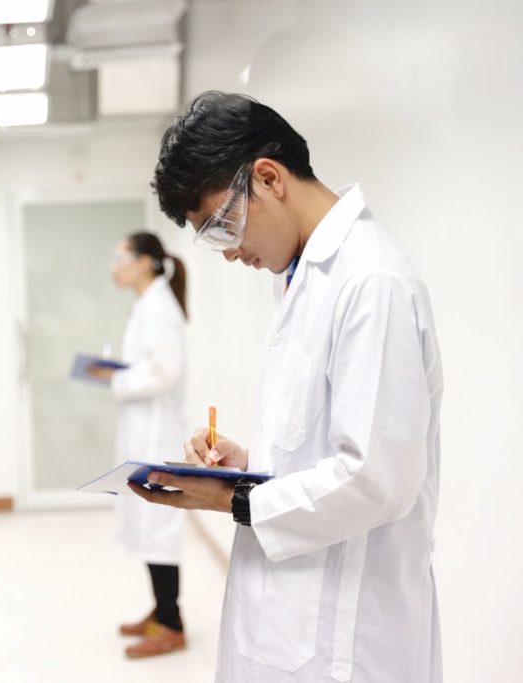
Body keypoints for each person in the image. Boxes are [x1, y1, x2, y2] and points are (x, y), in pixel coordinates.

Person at [131, 91, 443, 682]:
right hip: (289, 614)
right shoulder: (306, 278)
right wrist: (244, 468)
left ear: (269, 178)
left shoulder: (370, 282)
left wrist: (233, 498)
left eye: (222, 225)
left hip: (348, 640)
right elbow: (328, 446)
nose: (229, 254)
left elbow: (380, 477)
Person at [88, 231, 191, 658]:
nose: (114, 266)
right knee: (147, 526)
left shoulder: (159, 308)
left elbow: (165, 371)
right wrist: (120, 372)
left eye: (120, 257)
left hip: (155, 432)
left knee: (158, 527)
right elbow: (150, 364)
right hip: (143, 427)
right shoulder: (148, 305)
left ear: (146, 261)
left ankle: (171, 623)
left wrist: (118, 378)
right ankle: (160, 610)